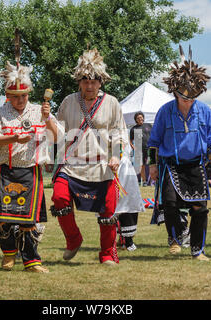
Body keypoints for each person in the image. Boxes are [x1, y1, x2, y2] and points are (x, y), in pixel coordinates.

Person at [50, 48, 128, 266]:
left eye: (94, 81)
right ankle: (74, 240)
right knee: (59, 198)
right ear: (79, 81)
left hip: (102, 165)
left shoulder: (111, 103)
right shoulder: (68, 102)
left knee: (108, 212)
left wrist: (115, 157)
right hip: (72, 165)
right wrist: (47, 120)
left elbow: (119, 133)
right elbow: (58, 133)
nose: (89, 85)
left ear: (100, 82)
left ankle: (107, 254)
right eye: (85, 80)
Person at [148, 45, 211, 261]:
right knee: (170, 204)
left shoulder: (204, 111)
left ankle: (198, 250)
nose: (188, 101)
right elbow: (153, 142)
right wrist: (153, 165)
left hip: (195, 165)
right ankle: (175, 239)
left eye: (192, 98)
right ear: (175, 93)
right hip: (170, 165)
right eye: (184, 98)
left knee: (199, 209)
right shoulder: (165, 111)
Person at [0, 60, 60, 273]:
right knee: (2, 216)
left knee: (29, 218)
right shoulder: (0, 112)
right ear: (7, 95)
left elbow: (56, 137)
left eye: (24, 95)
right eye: (15, 96)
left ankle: (31, 261)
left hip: (29, 169)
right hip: (4, 169)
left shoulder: (39, 110)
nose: (20, 100)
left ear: (29, 94)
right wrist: (13, 139)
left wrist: (47, 119)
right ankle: (8, 254)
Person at [115, 145, 145, 251]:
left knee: (128, 202)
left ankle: (127, 239)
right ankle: (116, 238)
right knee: (113, 203)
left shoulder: (135, 131)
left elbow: (138, 148)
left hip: (126, 170)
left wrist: (139, 165)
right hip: (111, 168)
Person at [129, 112, 153, 186]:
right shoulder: (133, 129)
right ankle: (145, 182)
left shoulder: (148, 125)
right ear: (136, 120)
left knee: (152, 165)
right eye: (138, 118)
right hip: (140, 150)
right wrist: (134, 148)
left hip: (150, 148)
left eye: (141, 117)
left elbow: (154, 135)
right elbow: (130, 140)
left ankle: (152, 182)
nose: (140, 119)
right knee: (142, 165)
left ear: (143, 118)